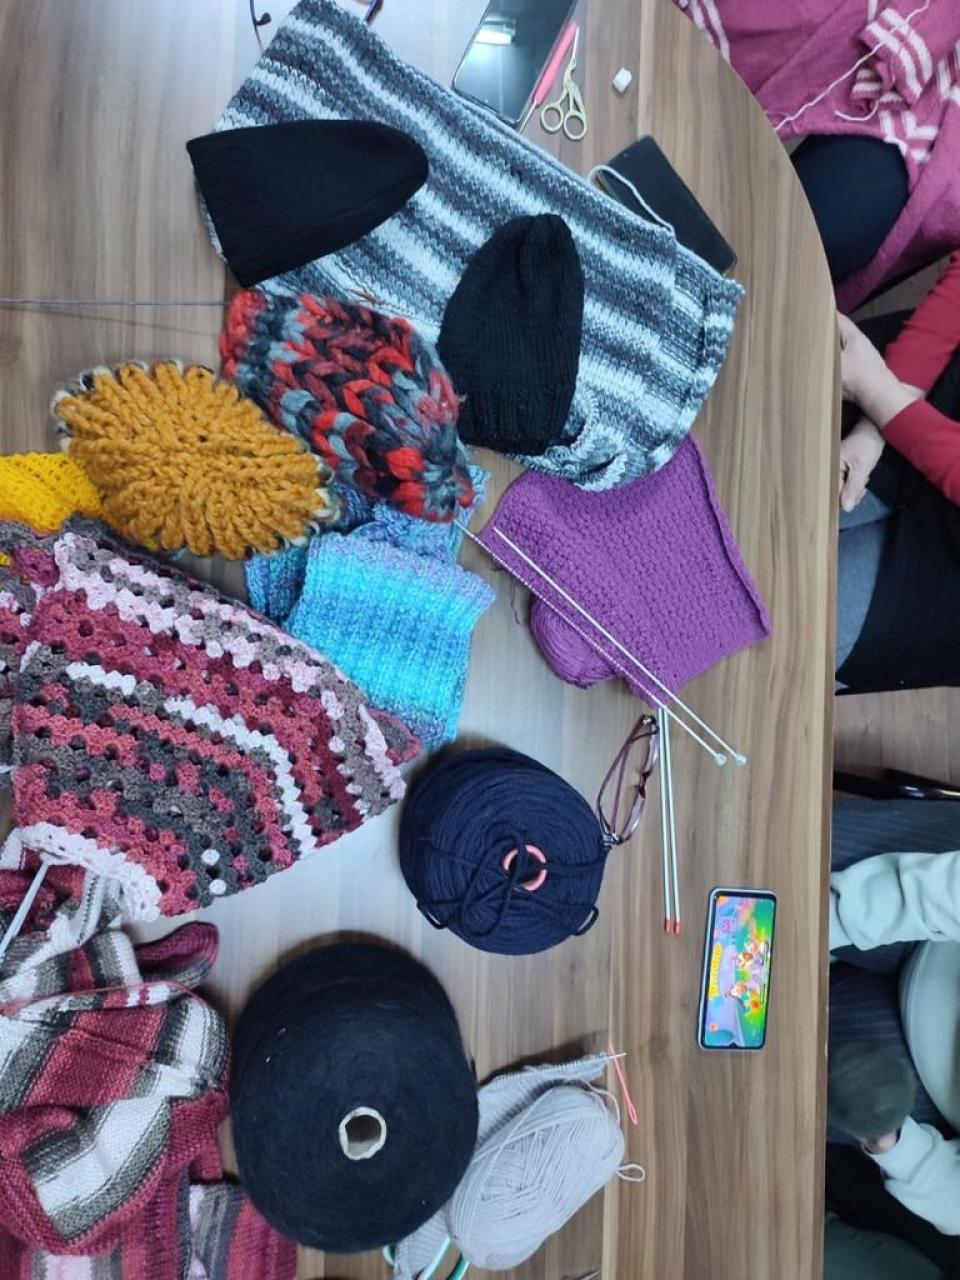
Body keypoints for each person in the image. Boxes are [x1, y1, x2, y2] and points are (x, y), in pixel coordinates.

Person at [826, 791, 960, 1274]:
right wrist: (818, 923)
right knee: (769, 867)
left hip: (918, 1078)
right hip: (935, 906)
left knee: (739, 1052)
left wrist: (893, 1142)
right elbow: (944, 893)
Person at [835, 251, 960, 692]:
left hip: (942, 585)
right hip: (923, 381)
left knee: (771, 634)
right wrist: (875, 426)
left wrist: (879, 396)